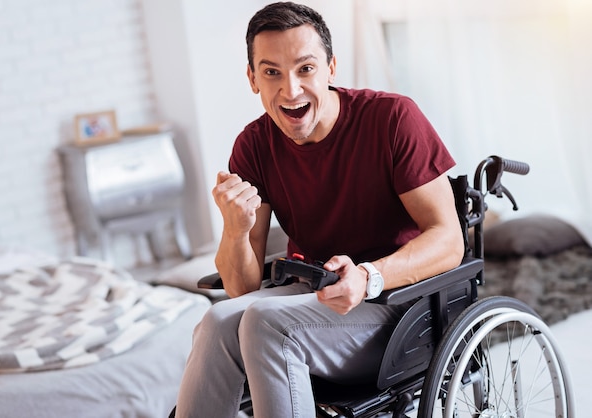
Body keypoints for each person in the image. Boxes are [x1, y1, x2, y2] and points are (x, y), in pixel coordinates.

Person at [173, 2, 464, 417]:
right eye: (272, 72)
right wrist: (235, 230)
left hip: (398, 308)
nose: (290, 90)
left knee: (262, 323)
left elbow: (450, 241)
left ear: (331, 67)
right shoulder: (253, 146)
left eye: (305, 68)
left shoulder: (393, 119)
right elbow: (242, 290)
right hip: (314, 298)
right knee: (220, 319)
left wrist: (368, 276)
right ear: (253, 78)